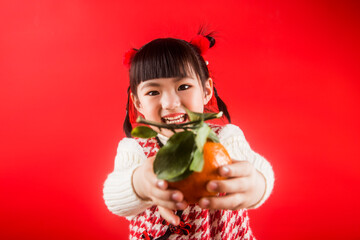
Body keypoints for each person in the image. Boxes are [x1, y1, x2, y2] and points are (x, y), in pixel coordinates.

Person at [103, 32, 274, 240]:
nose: (170, 103)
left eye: (183, 87)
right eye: (153, 92)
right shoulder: (136, 149)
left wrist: (257, 184)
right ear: (138, 103)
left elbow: (255, 167)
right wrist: (140, 183)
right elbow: (114, 197)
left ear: (206, 90)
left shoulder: (225, 139)